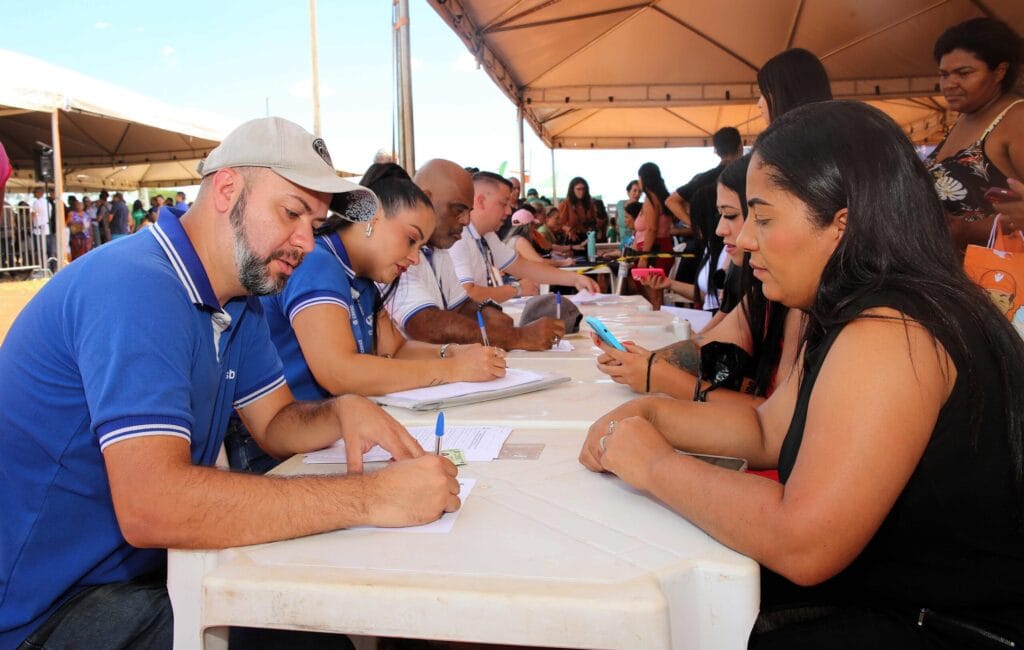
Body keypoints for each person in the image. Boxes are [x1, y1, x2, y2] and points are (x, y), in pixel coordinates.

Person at [0, 117, 460, 648]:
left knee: (317, 611)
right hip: (45, 611)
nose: (306, 242)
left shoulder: (238, 297)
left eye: (314, 223)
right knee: (302, 632)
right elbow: (153, 504)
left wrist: (340, 412)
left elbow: (276, 423)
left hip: (131, 572)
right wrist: (370, 497)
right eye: (291, 213)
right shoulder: (136, 285)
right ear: (226, 189)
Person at [580, 101, 1024, 647]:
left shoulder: (892, 331)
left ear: (843, 223)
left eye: (764, 218)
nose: (743, 240)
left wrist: (652, 464)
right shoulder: (857, 309)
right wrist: (652, 414)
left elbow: (805, 542)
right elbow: (769, 431)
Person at [224, 161, 508, 474]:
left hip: (325, 439)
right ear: (372, 219)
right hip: (278, 455)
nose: (414, 259)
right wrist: (452, 369)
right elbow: (339, 371)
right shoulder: (318, 263)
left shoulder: (361, 276)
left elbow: (397, 349)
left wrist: (452, 352)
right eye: (411, 239)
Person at [596, 155, 801, 406]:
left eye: (731, 215)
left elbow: (776, 420)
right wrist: (643, 360)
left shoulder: (800, 305)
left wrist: (659, 375)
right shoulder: (763, 293)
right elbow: (712, 339)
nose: (719, 230)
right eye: (719, 216)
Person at [390, 159, 565, 351]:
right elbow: (426, 325)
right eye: (458, 210)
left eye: (468, 211)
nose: (465, 220)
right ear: (426, 200)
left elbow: (461, 306)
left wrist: (490, 313)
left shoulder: (438, 250)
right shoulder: (396, 252)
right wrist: (517, 337)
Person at [925, 17, 1024, 252]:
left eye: (963, 73)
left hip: (997, 279)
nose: (949, 84)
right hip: (953, 274)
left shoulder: (1016, 117)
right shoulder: (965, 118)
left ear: (1000, 71)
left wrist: (973, 229)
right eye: (944, 74)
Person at [448, 171, 600, 304]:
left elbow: (522, 266)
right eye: (503, 203)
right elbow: (468, 294)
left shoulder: (486, 235)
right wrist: (517, 288)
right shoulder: (458, 238)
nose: (509, 211)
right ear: (480, 201)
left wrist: (575, 279)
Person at [666, 127, 743, 229]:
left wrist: (696, 226)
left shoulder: (703, 178)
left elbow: (671, 201)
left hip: (713, 237)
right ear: (740, 147)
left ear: (717, 151)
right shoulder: (747, 175)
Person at [754, 47, 833, 125]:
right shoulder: (838, 127)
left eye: (764, 92)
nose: (759, 104)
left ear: (786, 93)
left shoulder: (786, 136)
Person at [633, 162, 674, 273]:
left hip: (653, 249)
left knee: (652, 288)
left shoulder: (651, 198)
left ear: (643, 179)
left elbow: (652, 229)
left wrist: (644, 256)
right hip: (662, 246)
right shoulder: (663, 197)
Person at [556, 176, 597, 242]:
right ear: (572, 190)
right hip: (572, 238)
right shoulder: (565, 204)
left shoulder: (589, 203)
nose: (581, 192)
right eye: (578, 189)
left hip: (588, 236)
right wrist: (569, 230)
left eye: (583, 189)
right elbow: (559, 224)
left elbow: (594, 219)